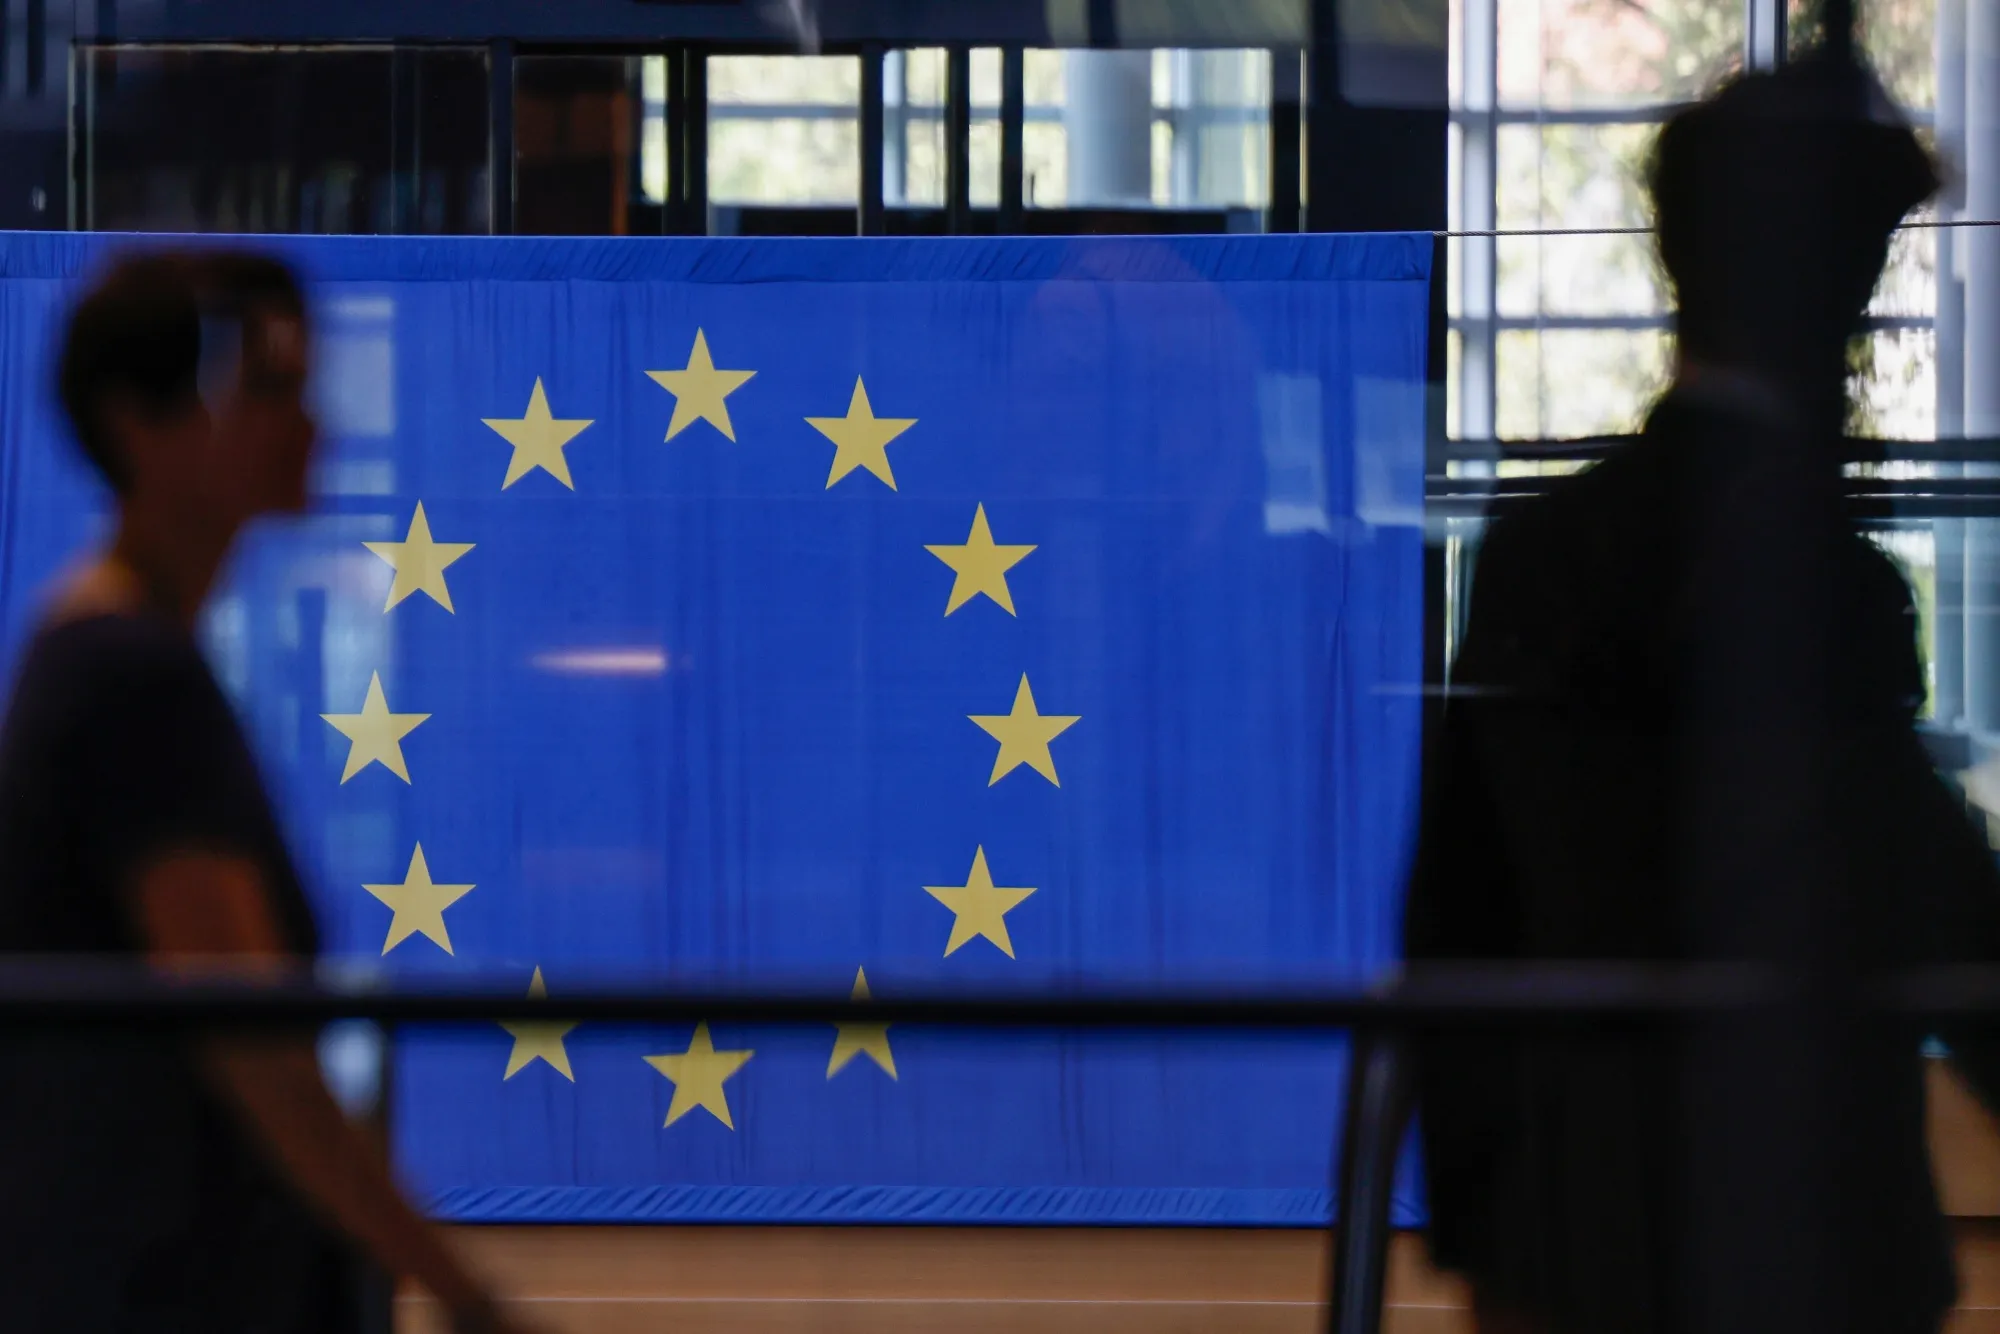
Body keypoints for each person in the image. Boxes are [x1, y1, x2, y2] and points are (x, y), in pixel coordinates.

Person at [1404, 53, 2000, 1334]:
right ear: (1833, 288)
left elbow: (1457, 911)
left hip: (1579, 1235)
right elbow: (1914, 885)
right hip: (1810, 1234)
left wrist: (1486, 1230)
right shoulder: (1826, 583)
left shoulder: (1540, 551)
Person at [0, 251, 527, 1332]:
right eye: (266, 390)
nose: (311, 425)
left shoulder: (123, 656)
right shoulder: (127, 678)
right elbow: (255, 1044)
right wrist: (464, 1290)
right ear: (137, 422)